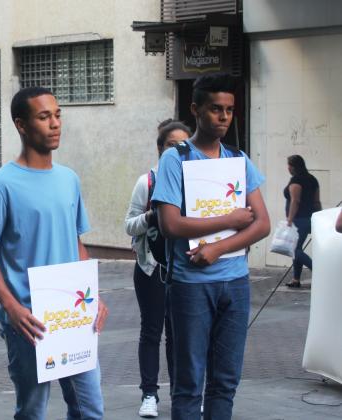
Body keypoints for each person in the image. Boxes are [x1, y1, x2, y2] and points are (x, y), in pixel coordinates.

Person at [0, 87, 109, 419]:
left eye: (58, 115)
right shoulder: (1, 184)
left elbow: (76, 240)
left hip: (72, 316)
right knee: (33, 412)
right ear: (21, 124)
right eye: (44, 116)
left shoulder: (69, 179)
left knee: (90, 410)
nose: (55, 124)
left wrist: (93, 297)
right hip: (29, 322)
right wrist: (11, 306)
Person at [152, 74, 271, 420]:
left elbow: (262, 223)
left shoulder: (237, 159)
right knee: (189, 384)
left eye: (230, 110)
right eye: (215, 109)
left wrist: (219, 248)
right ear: (196, 109)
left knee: (225, 382)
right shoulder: (176, 159)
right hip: (191, 286)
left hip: (235, 283)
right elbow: (170, 224)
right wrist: (231, 219)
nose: (223, 117)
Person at [125, 120, 191, 417]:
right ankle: (149, 394)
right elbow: (129, 225)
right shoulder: (147, 182)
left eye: (183, 146)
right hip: (151, 268)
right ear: (160, 150)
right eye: (171, 146)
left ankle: (182, 393)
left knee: (180, 335)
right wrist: (152, 216)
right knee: (152, 332)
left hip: (185, 270)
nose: (177, 151)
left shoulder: (196, 183)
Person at [283, 155, 320, 288]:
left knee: (294, 249)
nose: (288, 168)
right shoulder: (312, 179)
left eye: (289, 165)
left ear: (294, 166)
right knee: (297, 248)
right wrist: (317, 219)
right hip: (309, 218)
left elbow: (295, 200)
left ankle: (318, 271)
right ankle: (296, 279)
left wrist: (290, 220)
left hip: (298, 220)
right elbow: (317, 202)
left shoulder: (297, 180)